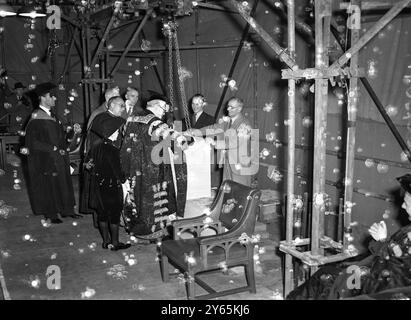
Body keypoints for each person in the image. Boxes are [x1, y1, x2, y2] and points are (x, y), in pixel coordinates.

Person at [287, 174, 411, 300]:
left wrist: (383, 240)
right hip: (378, 275)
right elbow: (399, 258)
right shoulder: (408, 230)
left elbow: (397, 271)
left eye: (406, 203)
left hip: (380, 285)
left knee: (329, 279)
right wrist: (383, 240)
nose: (403, 206)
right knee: (332, 272)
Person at [120, 92, 189, 240]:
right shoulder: (155, 122)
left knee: (137, 198)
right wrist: (188, 140)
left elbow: (125, 145)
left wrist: (125, 170)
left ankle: (137, 229)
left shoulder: (132, 118)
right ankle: (154, 232)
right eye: (164, 109)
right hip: (153, 170)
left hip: (135, 168)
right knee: (155, 201)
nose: (165, 113)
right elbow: (177, 140)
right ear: (158, 106)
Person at [24, 82, 82, 224]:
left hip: (59, 158)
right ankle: (51, 213)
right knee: (49, 185)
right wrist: (52, 149)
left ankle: (67, 210)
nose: (55, 99)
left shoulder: (53, 116)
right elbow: (32, 143)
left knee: (63, 183)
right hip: (45, 159)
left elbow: (61, 138)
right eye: (52, 96)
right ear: (43, 98)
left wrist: (73, 133)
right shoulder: (36, 118)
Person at [86, 112, 130, 251]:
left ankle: (106, 242)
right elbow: (118, 171)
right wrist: (124, 178)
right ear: (112, 132)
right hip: (111, 187)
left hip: (98, 185)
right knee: (114, 214)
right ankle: (115, 243)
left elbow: (89, 164)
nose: (119, 133)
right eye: (118, 130)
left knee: (103, 214)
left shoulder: (96, 145)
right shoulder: (112, 149)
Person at [190, 97, 257, 187]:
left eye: (231, 107)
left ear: (239, 109)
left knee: (240, 191)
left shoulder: (245, 124)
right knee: (227, 190)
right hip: (227, 162)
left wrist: (215, 143)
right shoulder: (228, 122)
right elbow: (212, 128)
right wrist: (194, 132)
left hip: (240, 164)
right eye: (228, 106)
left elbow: (237, 142)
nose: (228, 109)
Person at [80, 96, 126, 218]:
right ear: (111, 105)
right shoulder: (103, 118)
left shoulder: (113, 119)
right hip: (102, 162)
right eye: (121, 105)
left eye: (124, 106)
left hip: (110, 161)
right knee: (101, 196)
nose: (123, 108)